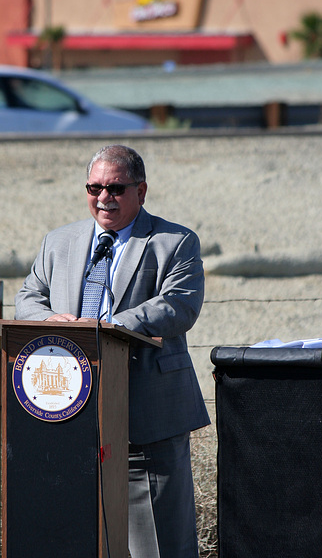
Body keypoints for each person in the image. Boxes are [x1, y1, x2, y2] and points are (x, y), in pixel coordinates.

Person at [15, 144, 210, 558]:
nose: (104, 197)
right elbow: (29, 295)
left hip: (148, 413)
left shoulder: (174, 242)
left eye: (116, 188)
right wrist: (49, 321)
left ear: (141, 191)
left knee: (159, 541)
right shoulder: (59, 241)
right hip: (71, 414)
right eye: (95, 187)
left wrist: (112, 327)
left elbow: (179, 305)